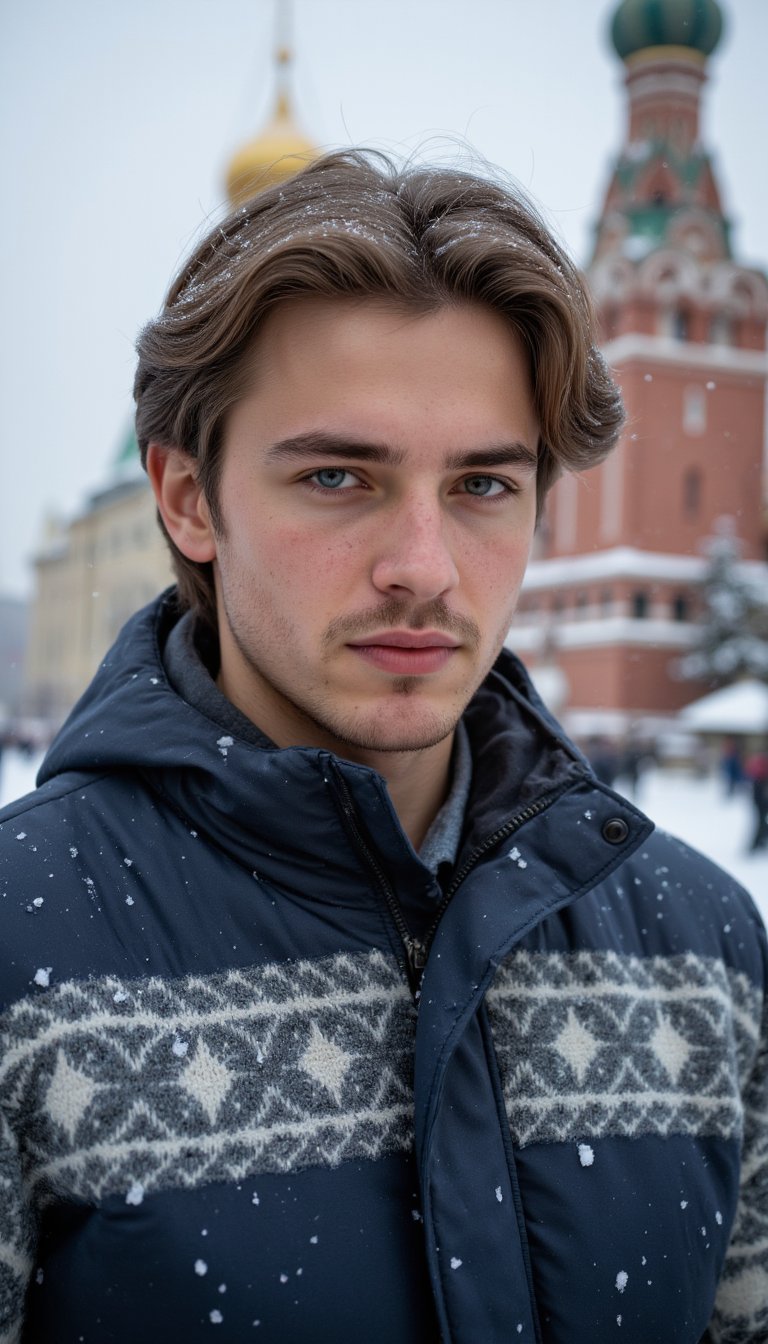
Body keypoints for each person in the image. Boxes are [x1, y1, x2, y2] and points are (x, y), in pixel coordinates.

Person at [1, 151, 765, 1344]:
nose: (423, 564)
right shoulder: (19, 946)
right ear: (189, 499)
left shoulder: (703, 944)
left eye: (481, 486)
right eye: (338, 475)